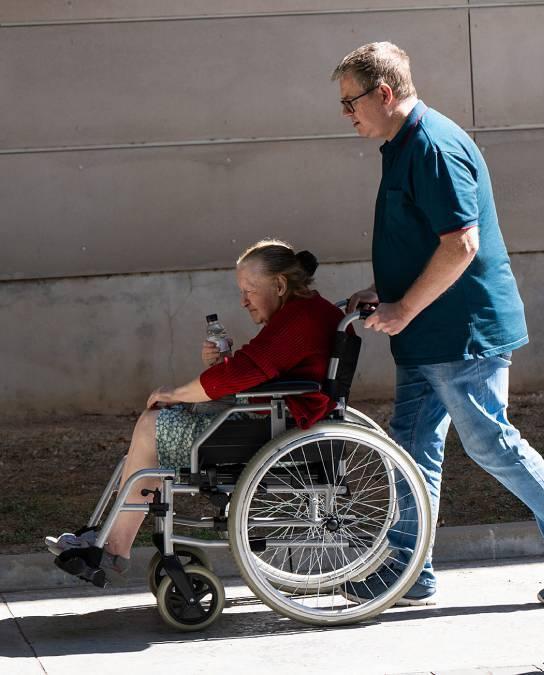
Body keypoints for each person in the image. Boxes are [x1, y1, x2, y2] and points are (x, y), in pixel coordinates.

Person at [331, 42, 544, 607]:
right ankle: (410, 568)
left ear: (385, 93)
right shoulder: (402, 142)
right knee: (413, 451)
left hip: (460, 332)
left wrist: (404, 307)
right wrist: (386, 293)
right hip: (424, 333)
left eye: (351, 102)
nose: (346, 114)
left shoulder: (432, 146)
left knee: (492, 444)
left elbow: (462, 244)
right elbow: (425, 237)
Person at [46, 240, 346, 584]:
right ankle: (108, 541)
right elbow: (253, 370)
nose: (243, 300)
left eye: (249, 290)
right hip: (275, 420)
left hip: (278, 429)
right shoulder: (305, 313)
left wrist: (177, 392)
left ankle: (113, 546)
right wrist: (219, 368)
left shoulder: (299, 319)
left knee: (151, 426)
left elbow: (240, 375)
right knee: (154, 429)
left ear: (279, 285)